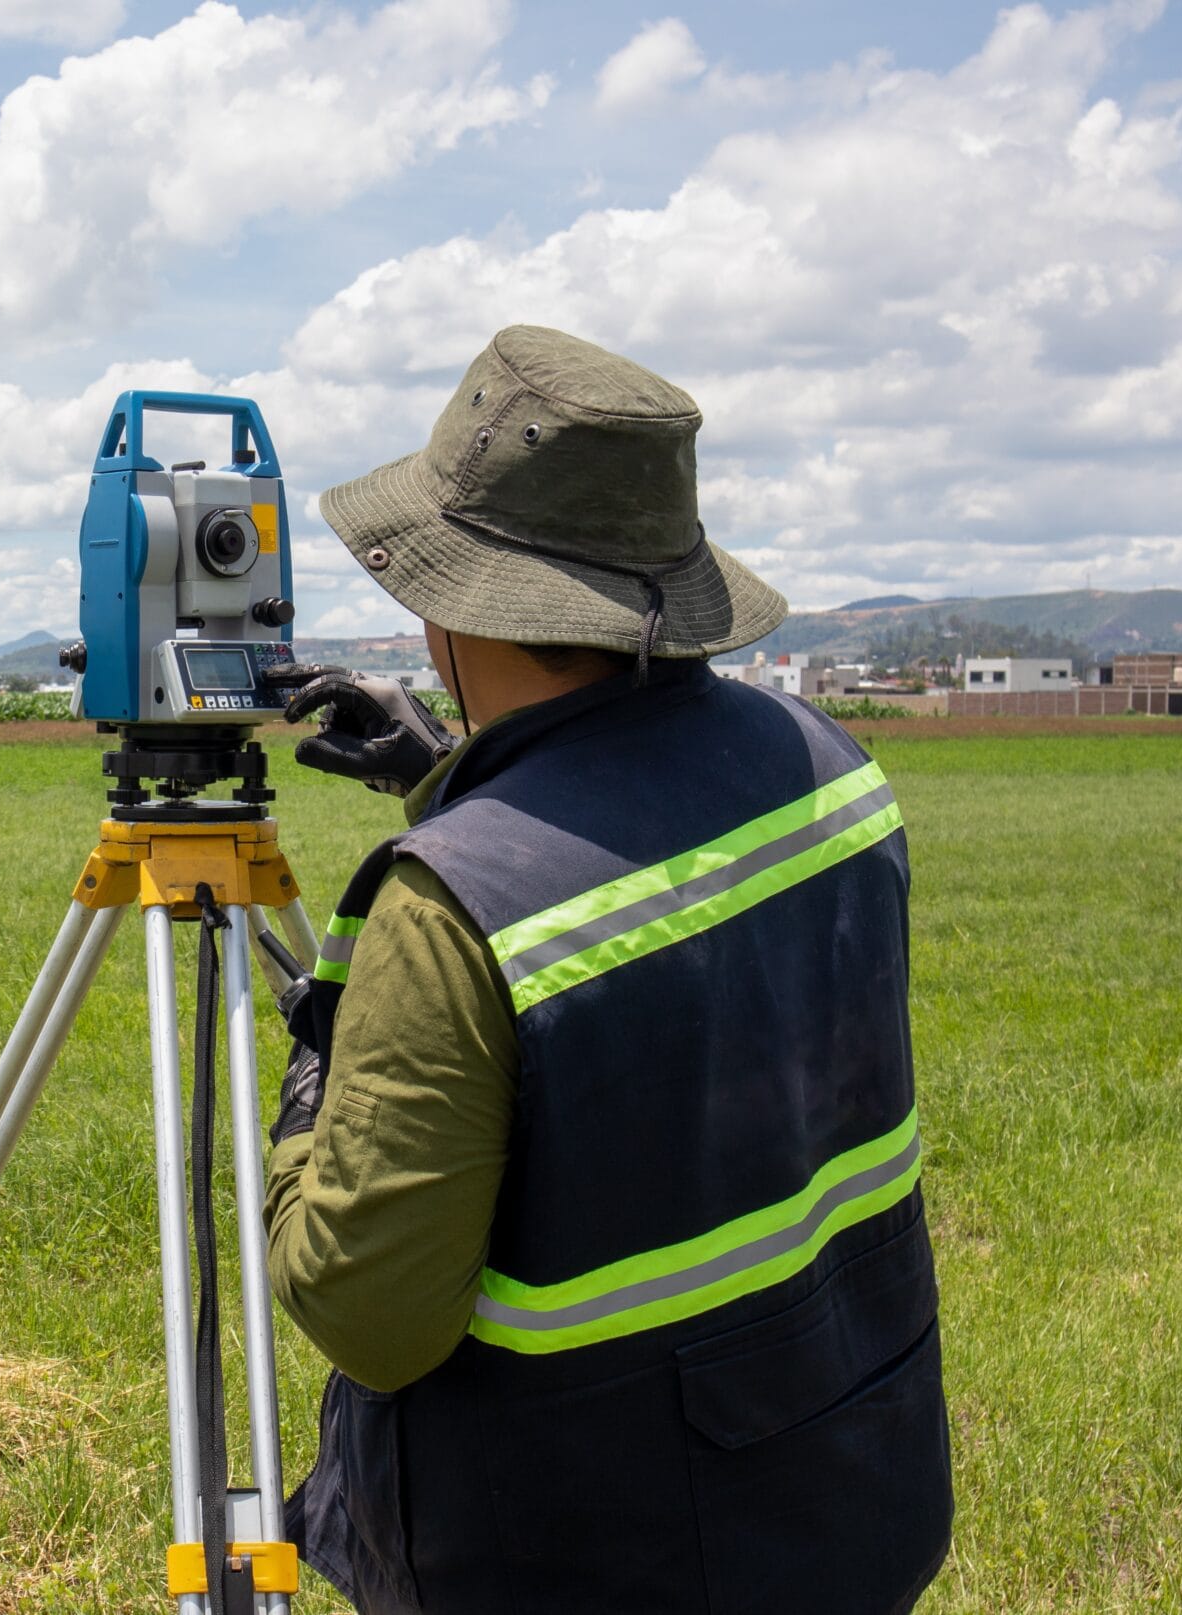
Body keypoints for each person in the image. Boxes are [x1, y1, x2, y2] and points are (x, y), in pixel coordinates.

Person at [259, 326, 952, 1614]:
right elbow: (654, 931)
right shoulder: (828, 764)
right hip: (843, 1490)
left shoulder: (449, 914)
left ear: (450, 598)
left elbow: (368, 1314)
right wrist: (457, 782)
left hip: (575, 1555)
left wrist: (320, 1073)